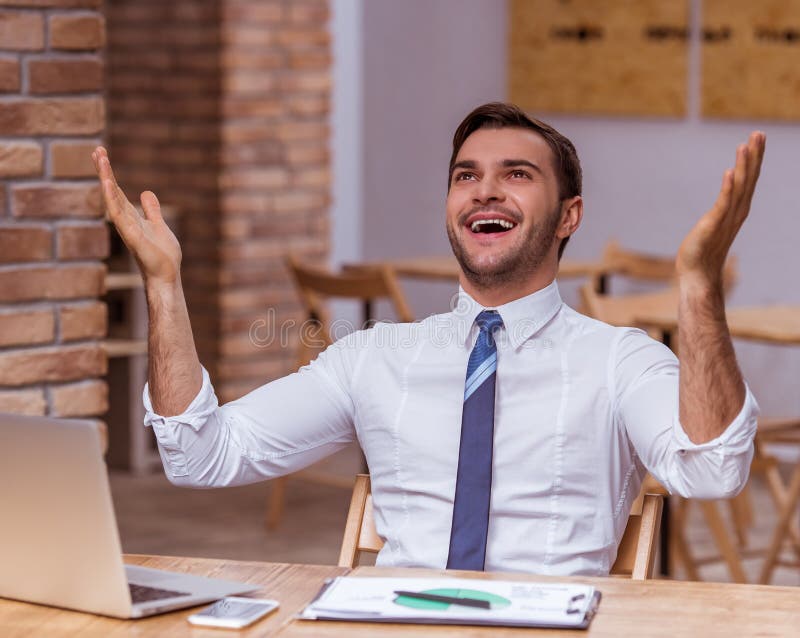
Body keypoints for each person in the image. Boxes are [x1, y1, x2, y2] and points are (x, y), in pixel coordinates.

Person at [92, 102, 764, 576]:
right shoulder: (374, 356)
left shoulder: (621, 361)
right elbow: (201, 456)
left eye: (517, 175)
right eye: (466, 175)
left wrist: (699, 287)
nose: (484, 192)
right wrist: (164, 286)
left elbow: (712, 469)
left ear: (569, 216)